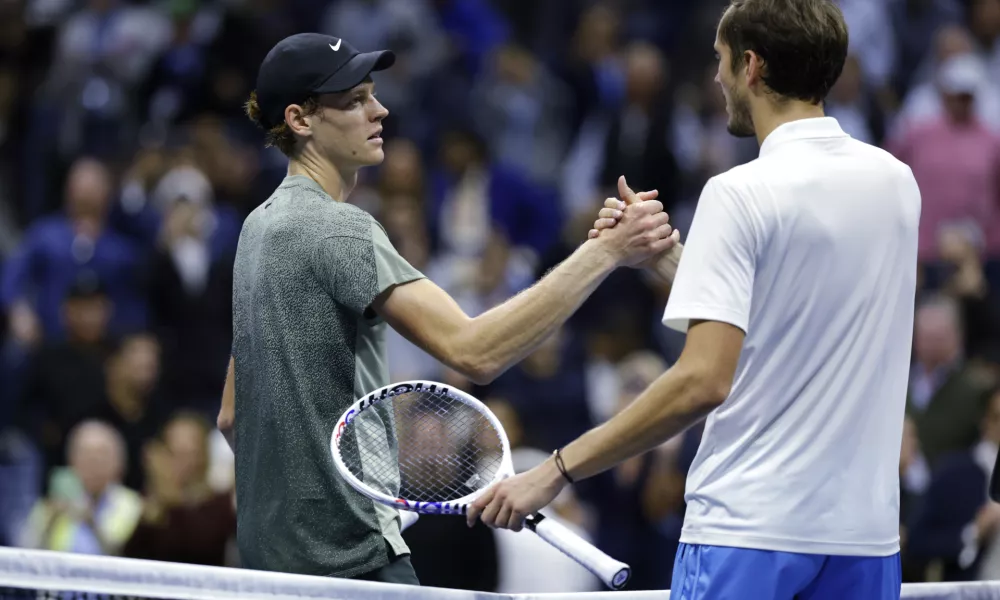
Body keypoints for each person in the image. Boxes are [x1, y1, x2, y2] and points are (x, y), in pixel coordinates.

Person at [468, 1, 921, 599]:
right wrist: (676, 262)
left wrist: (554, 471)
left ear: (752, 66)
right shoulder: (896, 182)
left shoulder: (737, 193)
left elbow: (703, 382)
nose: (716, 77)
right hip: (862, 542)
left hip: (748, 534)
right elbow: (789, 328)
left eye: (720, 60)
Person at [215, 32, 679, 584]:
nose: (379, 109)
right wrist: (605, 252)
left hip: (269, 564)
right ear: (300, 119)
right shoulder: (339, 230)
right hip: (354, 562)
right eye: (356, 99)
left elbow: (231, 417)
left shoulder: (257, 229)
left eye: (373, 94)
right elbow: (474, 351)